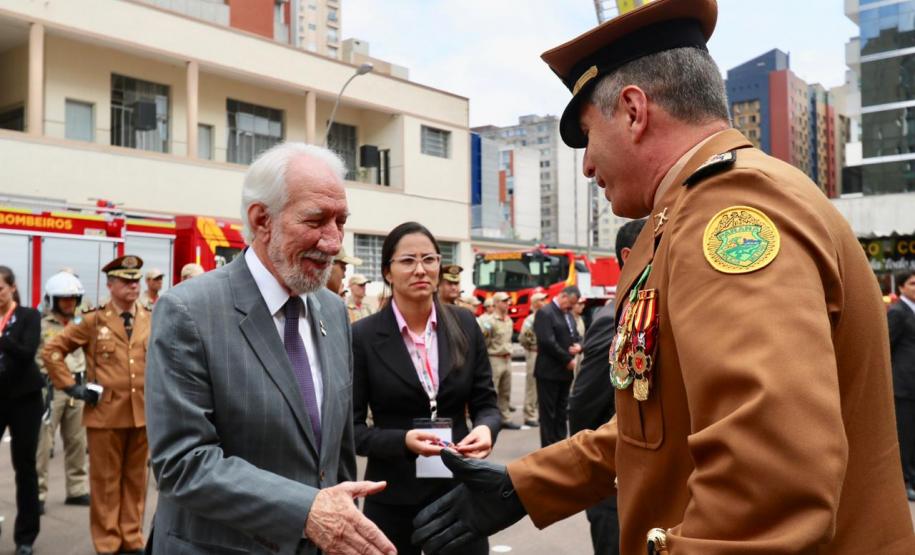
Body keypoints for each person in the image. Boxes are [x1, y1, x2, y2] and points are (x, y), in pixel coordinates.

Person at [411, 2, 915, 554]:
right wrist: (527, 484)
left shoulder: (731, 211)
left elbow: (765, 482)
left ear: (632, 110)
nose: (584, 166)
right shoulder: (688, 213)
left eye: (585, 134)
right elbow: (663, 427)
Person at [145, 142, 396, 555]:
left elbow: (336, 455)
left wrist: (343, 524)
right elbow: (182, 463)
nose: (333, 242)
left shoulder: (332, 311)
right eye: (316, 220)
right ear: (262, 219)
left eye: (341, 221)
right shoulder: (188, 311)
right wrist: (306, 511)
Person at [352, 221, 500, 555]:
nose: (420, 270)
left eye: (429, 259)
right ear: (387, 272)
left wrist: (486, 429)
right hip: (392, 496)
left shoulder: (463, 324)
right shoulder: (362, 336)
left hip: (458, 490)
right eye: (407, 261)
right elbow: (352, 429)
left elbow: (487, 404)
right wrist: (403, 441)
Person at [42, 255, 151, 555]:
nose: (133, 286)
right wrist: (70, 387)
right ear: (111, 284)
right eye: (126, 281)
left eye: (136, 280)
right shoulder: (93, 319)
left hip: (142, 413)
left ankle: (131, 538)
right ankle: (108, 543)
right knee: (104, 483)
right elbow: (52, 350)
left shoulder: (150, 317)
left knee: (136, 480)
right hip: (105, 414)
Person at [567, 218, 645, 555]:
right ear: (629, 256)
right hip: (615, 484)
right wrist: (595, 475)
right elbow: (583, 404)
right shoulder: (615, 318)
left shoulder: (654, 307)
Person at [36, 271, 91, 514]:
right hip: (50, 390)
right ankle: (37, 493)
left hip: (77, 389)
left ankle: (77, 489)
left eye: (72, 298)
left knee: (77, 442)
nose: (68, 302)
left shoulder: (84, 323)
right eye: (62, 298)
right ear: (52, 299)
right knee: (42, 443)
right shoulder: (41, 324)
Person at [0, 266, 42, 555]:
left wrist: (1, 336)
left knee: (24, 466)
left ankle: (25, 536)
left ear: (12, 288)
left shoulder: (29, 316)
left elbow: (26, 353)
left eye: (0, 289)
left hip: (24, 398)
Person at [532, 286, 581, 447]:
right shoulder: (545, 313)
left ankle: (560, 445)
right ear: (563, 296)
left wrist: (579, 346)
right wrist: (567, 359)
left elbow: (576, 335)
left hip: (564, 373)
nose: (571, 308)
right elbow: (547, 342)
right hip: (549, 372)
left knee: (561, 412)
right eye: (570, 304)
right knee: (548, 413)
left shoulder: (567, 315)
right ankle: (548, 448)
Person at [889, 270, 915, 501]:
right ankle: (904, 481)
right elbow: (886, 347)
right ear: (901, 288)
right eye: (913, 283)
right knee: (906, 435)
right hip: (904, 385)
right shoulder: (897, 312)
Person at [478, 292, 518, 430]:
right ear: (495, 303)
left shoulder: (509, 320)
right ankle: (492, 419)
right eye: (503, 301)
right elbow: (484, 341)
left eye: (507, 301)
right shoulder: (489, 322)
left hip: (507, 358)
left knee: (506, 391)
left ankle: (505, 418)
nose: (507, 303)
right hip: (494, 358)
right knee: (492, 391)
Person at [518, 291, 547, 428]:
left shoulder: (545, 317)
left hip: (544, 353)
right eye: (541, 300)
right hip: (534, 352)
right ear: (535, 303)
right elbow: (523, 338)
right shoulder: (530, 320)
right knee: (532, 385)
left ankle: (541, 414)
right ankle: (529, 415)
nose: (544, 302)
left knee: (543, 385)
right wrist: (531, 348)